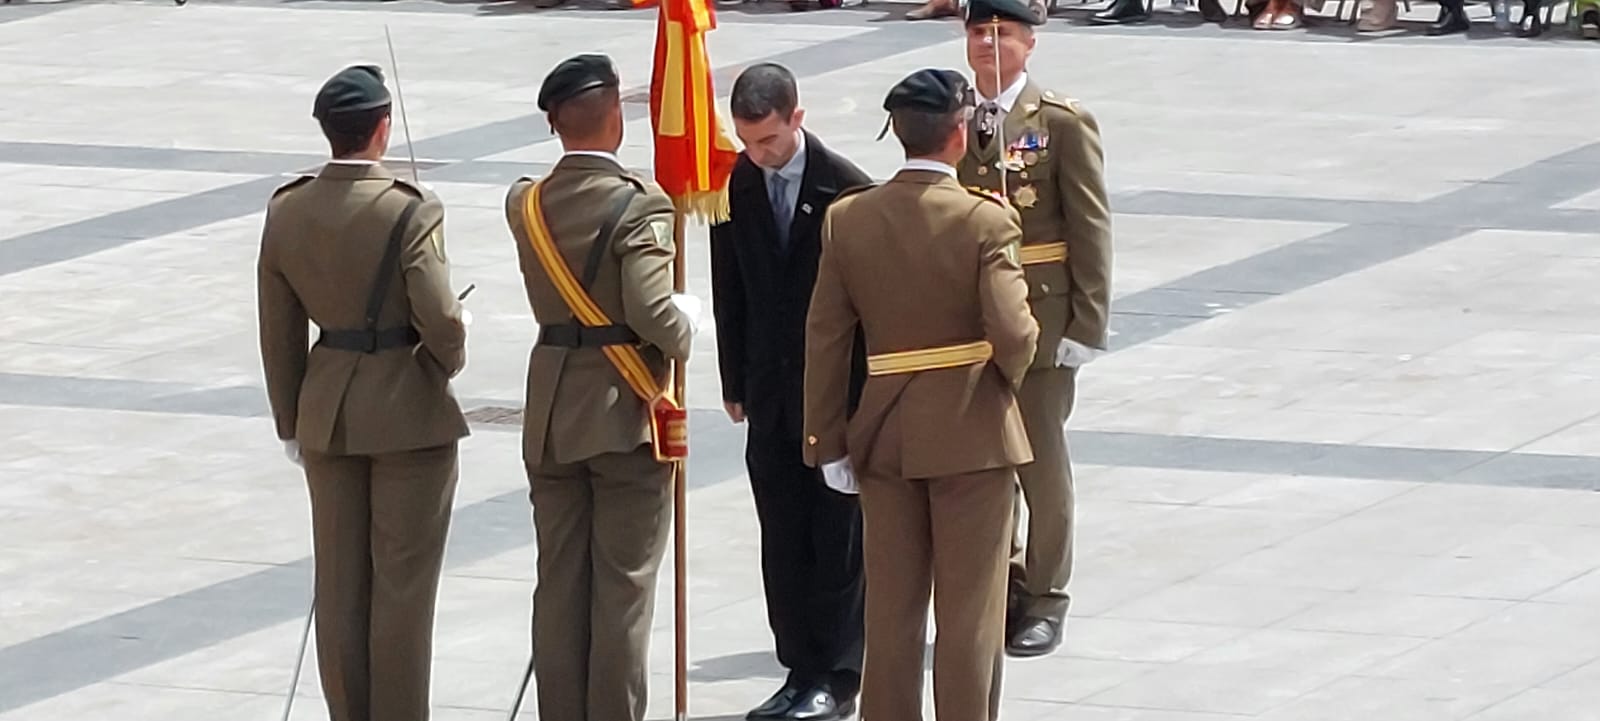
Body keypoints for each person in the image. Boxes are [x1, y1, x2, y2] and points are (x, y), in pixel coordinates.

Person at [803, 68, 1039, 721]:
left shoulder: (848, 219)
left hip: (883, 434)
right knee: (969, 617)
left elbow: (825, 338)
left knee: (891, 614)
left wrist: (826, 439)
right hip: (972, 433)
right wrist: (1004, 383)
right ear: (959, 135)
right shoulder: (985, 222)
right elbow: (1015, 334)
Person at [257, 64, 469, 721]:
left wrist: (292, 420)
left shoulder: (288, 209)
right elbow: (441, 321)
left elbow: (279, 328)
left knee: (341, 584)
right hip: (406, 410)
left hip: (327, 411)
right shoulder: (409, 208)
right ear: (382, 128)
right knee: (402, 589)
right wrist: (448, 354)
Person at [503, 53, 700, 721]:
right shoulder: (639, 203)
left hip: (553, 412)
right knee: (622, 588)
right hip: (623, 415)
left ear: (555, 123)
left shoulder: (524, 201)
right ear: (616, 116)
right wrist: (685, 329)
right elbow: (649, 309)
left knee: (559, 586)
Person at [711, 62, 871, 721]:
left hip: (835, 396)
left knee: (836, 539)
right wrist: (733, 379)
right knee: (782, 534)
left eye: (770, 140)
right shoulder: (739, 182)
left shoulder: (848, 190)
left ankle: (837, 672)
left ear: (797, 118)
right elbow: (731, 286)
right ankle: (796, 667)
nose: (759, 154)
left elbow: (869, 308)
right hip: (771, 392)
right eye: (747, 141)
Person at [957, 0, 1113, 659]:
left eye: (1003, 35)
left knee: (1040, 465)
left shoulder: (1058, 122)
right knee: (983, 465)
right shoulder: (954, 117)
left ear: (1029, 43)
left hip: (1043, 318)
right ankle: (1003, 586)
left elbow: (1090, 224)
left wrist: (1088, 320)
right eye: (978, 35)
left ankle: (1046, 596)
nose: (989, 47)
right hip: (970, 320)